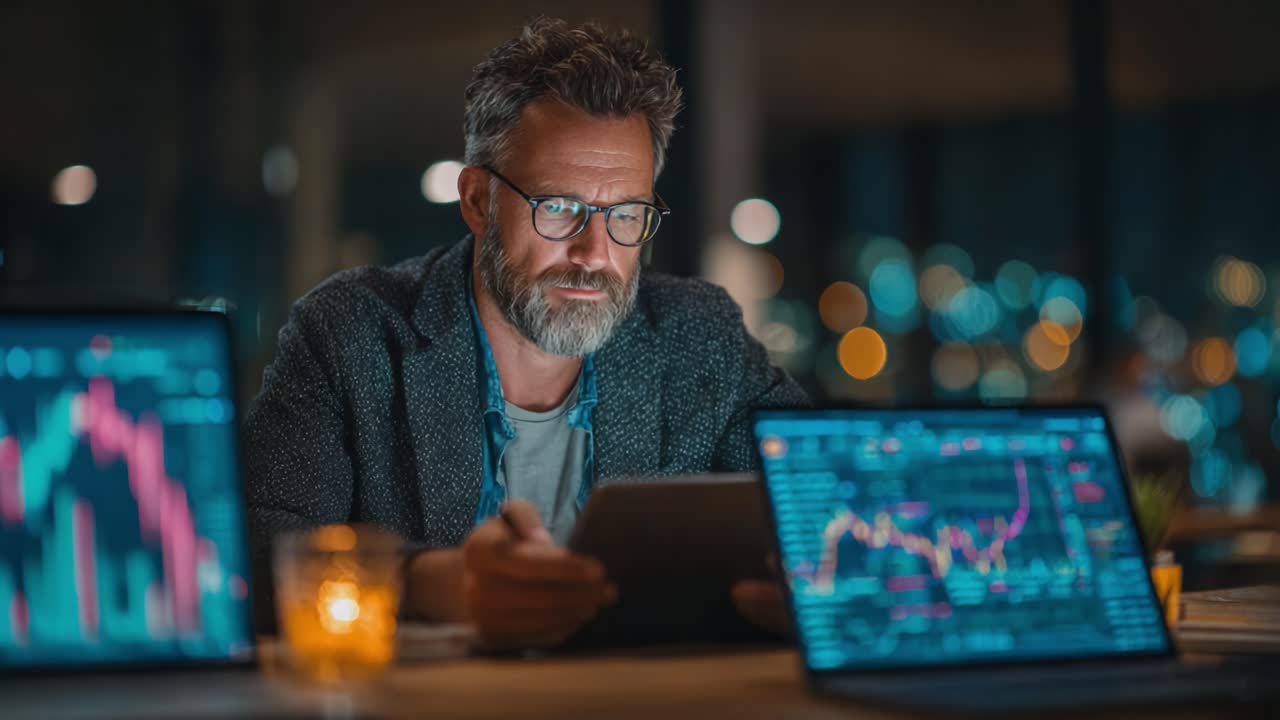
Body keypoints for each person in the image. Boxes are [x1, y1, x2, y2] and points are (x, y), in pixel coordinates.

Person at [245, 17, 807, 649]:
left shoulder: (698, 337)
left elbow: (825, 503)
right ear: (479, 200)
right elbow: (260, 562)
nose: (596, 252)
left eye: (625, 213)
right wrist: (435, 585)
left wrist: (808, 587)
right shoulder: (350, 335)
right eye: (559, 208)